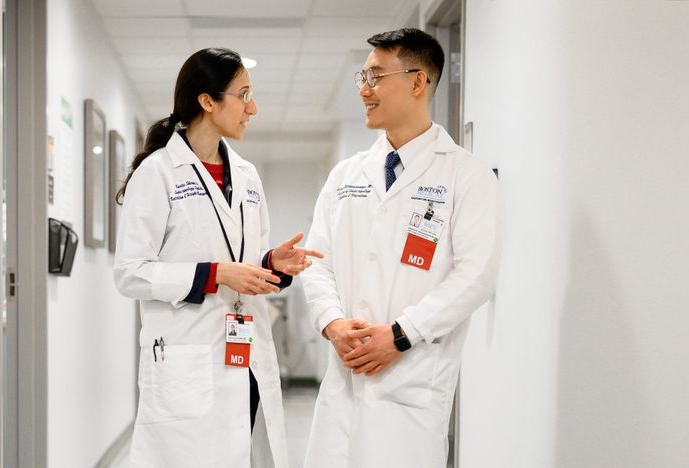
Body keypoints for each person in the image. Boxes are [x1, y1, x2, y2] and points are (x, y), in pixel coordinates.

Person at [301, 28, 501, 468]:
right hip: (344, 381)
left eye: (375, 77)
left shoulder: (466, 177)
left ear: (417, 82)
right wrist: (333, 323)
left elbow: (477, 275)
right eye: (362, 77)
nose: (364, 90)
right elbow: (316, 263)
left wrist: (400, 334)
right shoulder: (346, 175)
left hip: (411, 384)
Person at [114, 47, 322, 468]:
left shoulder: (246, 176)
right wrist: (216, 275)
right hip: (188, 359)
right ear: (207, 101)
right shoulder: (157, 173)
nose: (253, 107)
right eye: (243, 94)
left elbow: (243, 261)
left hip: (244, 357)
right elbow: (130, 274)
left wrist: (271, 266)